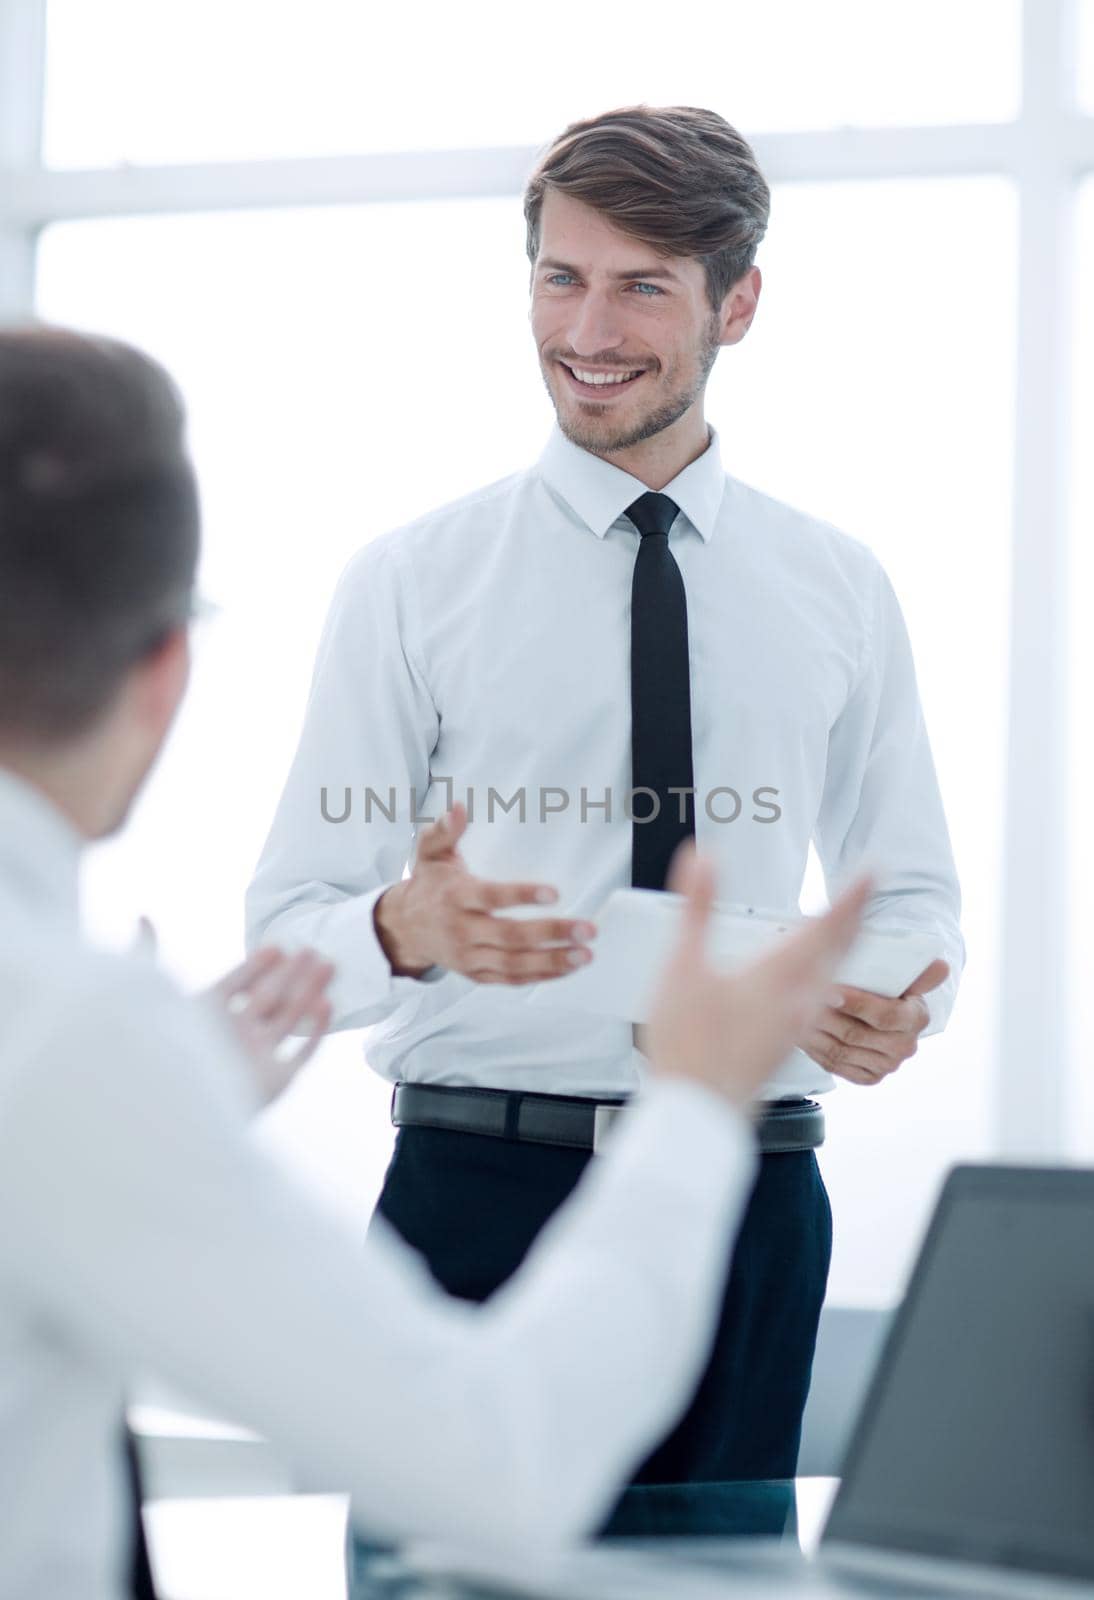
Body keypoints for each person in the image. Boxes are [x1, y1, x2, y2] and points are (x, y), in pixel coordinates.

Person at [0, 325, 870, 1598]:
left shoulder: (81, 1052)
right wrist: (692, 1104)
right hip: (489, 1177)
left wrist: (163, 1096)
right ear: (163, 671)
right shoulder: (71, 1039)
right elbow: (497, 1465)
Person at [246, 103, 965, 1486]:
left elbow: (910, 886)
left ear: (735, 303)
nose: (588, 332)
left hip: (752, 1192)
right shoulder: (410, 581)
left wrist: (900, 1003)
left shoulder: (838, 586)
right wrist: (407, 926)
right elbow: (291, 924)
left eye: (640, 286)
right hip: (483, 1194)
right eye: (559, 278)